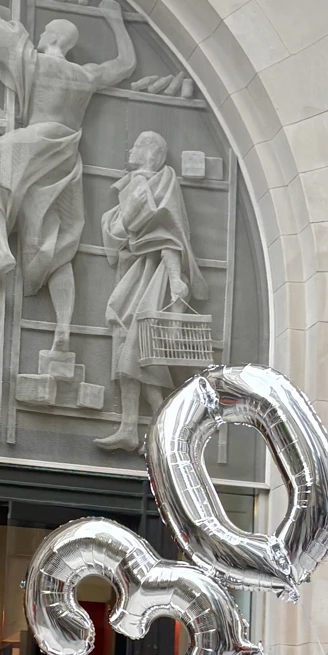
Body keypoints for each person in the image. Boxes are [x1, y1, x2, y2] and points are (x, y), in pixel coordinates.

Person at [0, 0, 135, 353]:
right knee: (59, 247)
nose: (39, 34)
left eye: (44, 30)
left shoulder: (35, 62)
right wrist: (115, 19)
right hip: (67, 155)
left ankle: (1, 250)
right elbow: (126, 64)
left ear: (53, 36)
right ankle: (63, 327)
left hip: (37, 141)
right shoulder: (85, 75)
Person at [94, 130, 208, 453]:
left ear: (149, 153)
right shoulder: (136, 185)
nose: (130, 149)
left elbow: (168, 235)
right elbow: (117, 234)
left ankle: (152, 429)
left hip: (152, 279)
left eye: (137, 145)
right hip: (134, 275)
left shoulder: (157, 185)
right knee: (133, 352)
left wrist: (175, 280)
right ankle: (141, 428)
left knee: (139, 354)